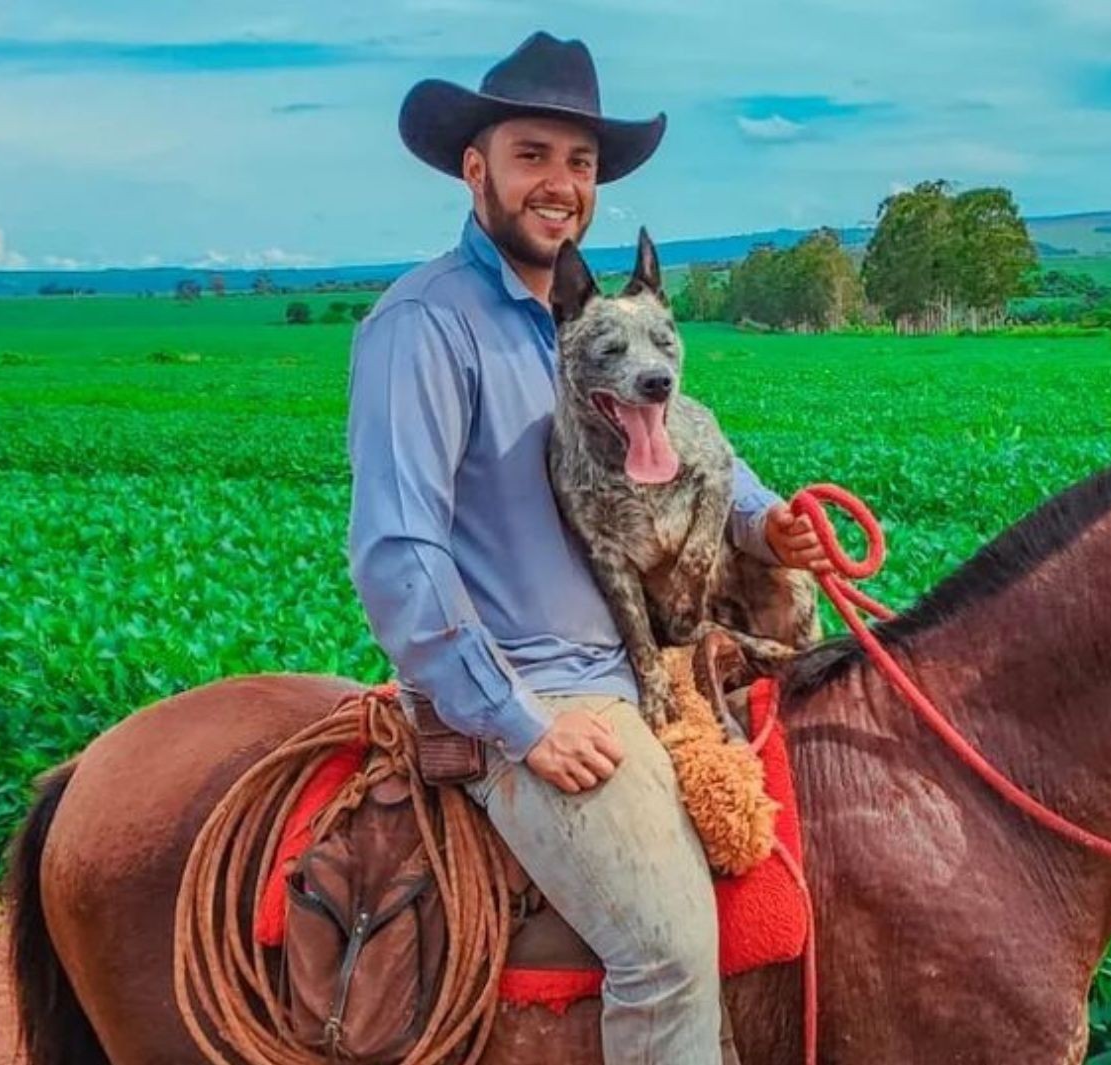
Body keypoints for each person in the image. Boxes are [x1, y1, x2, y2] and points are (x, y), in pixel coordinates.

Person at [345, 31, 826, 1063]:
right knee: (666, 945)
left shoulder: (596, 322)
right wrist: (521, 726)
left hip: (650, 660)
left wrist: (764, 522)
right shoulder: (424, 326)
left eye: (580, 163)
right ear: (474, 167)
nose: (559, 184)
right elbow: (397, 554)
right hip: (540, 688)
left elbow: (689, 452)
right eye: (531, 156)